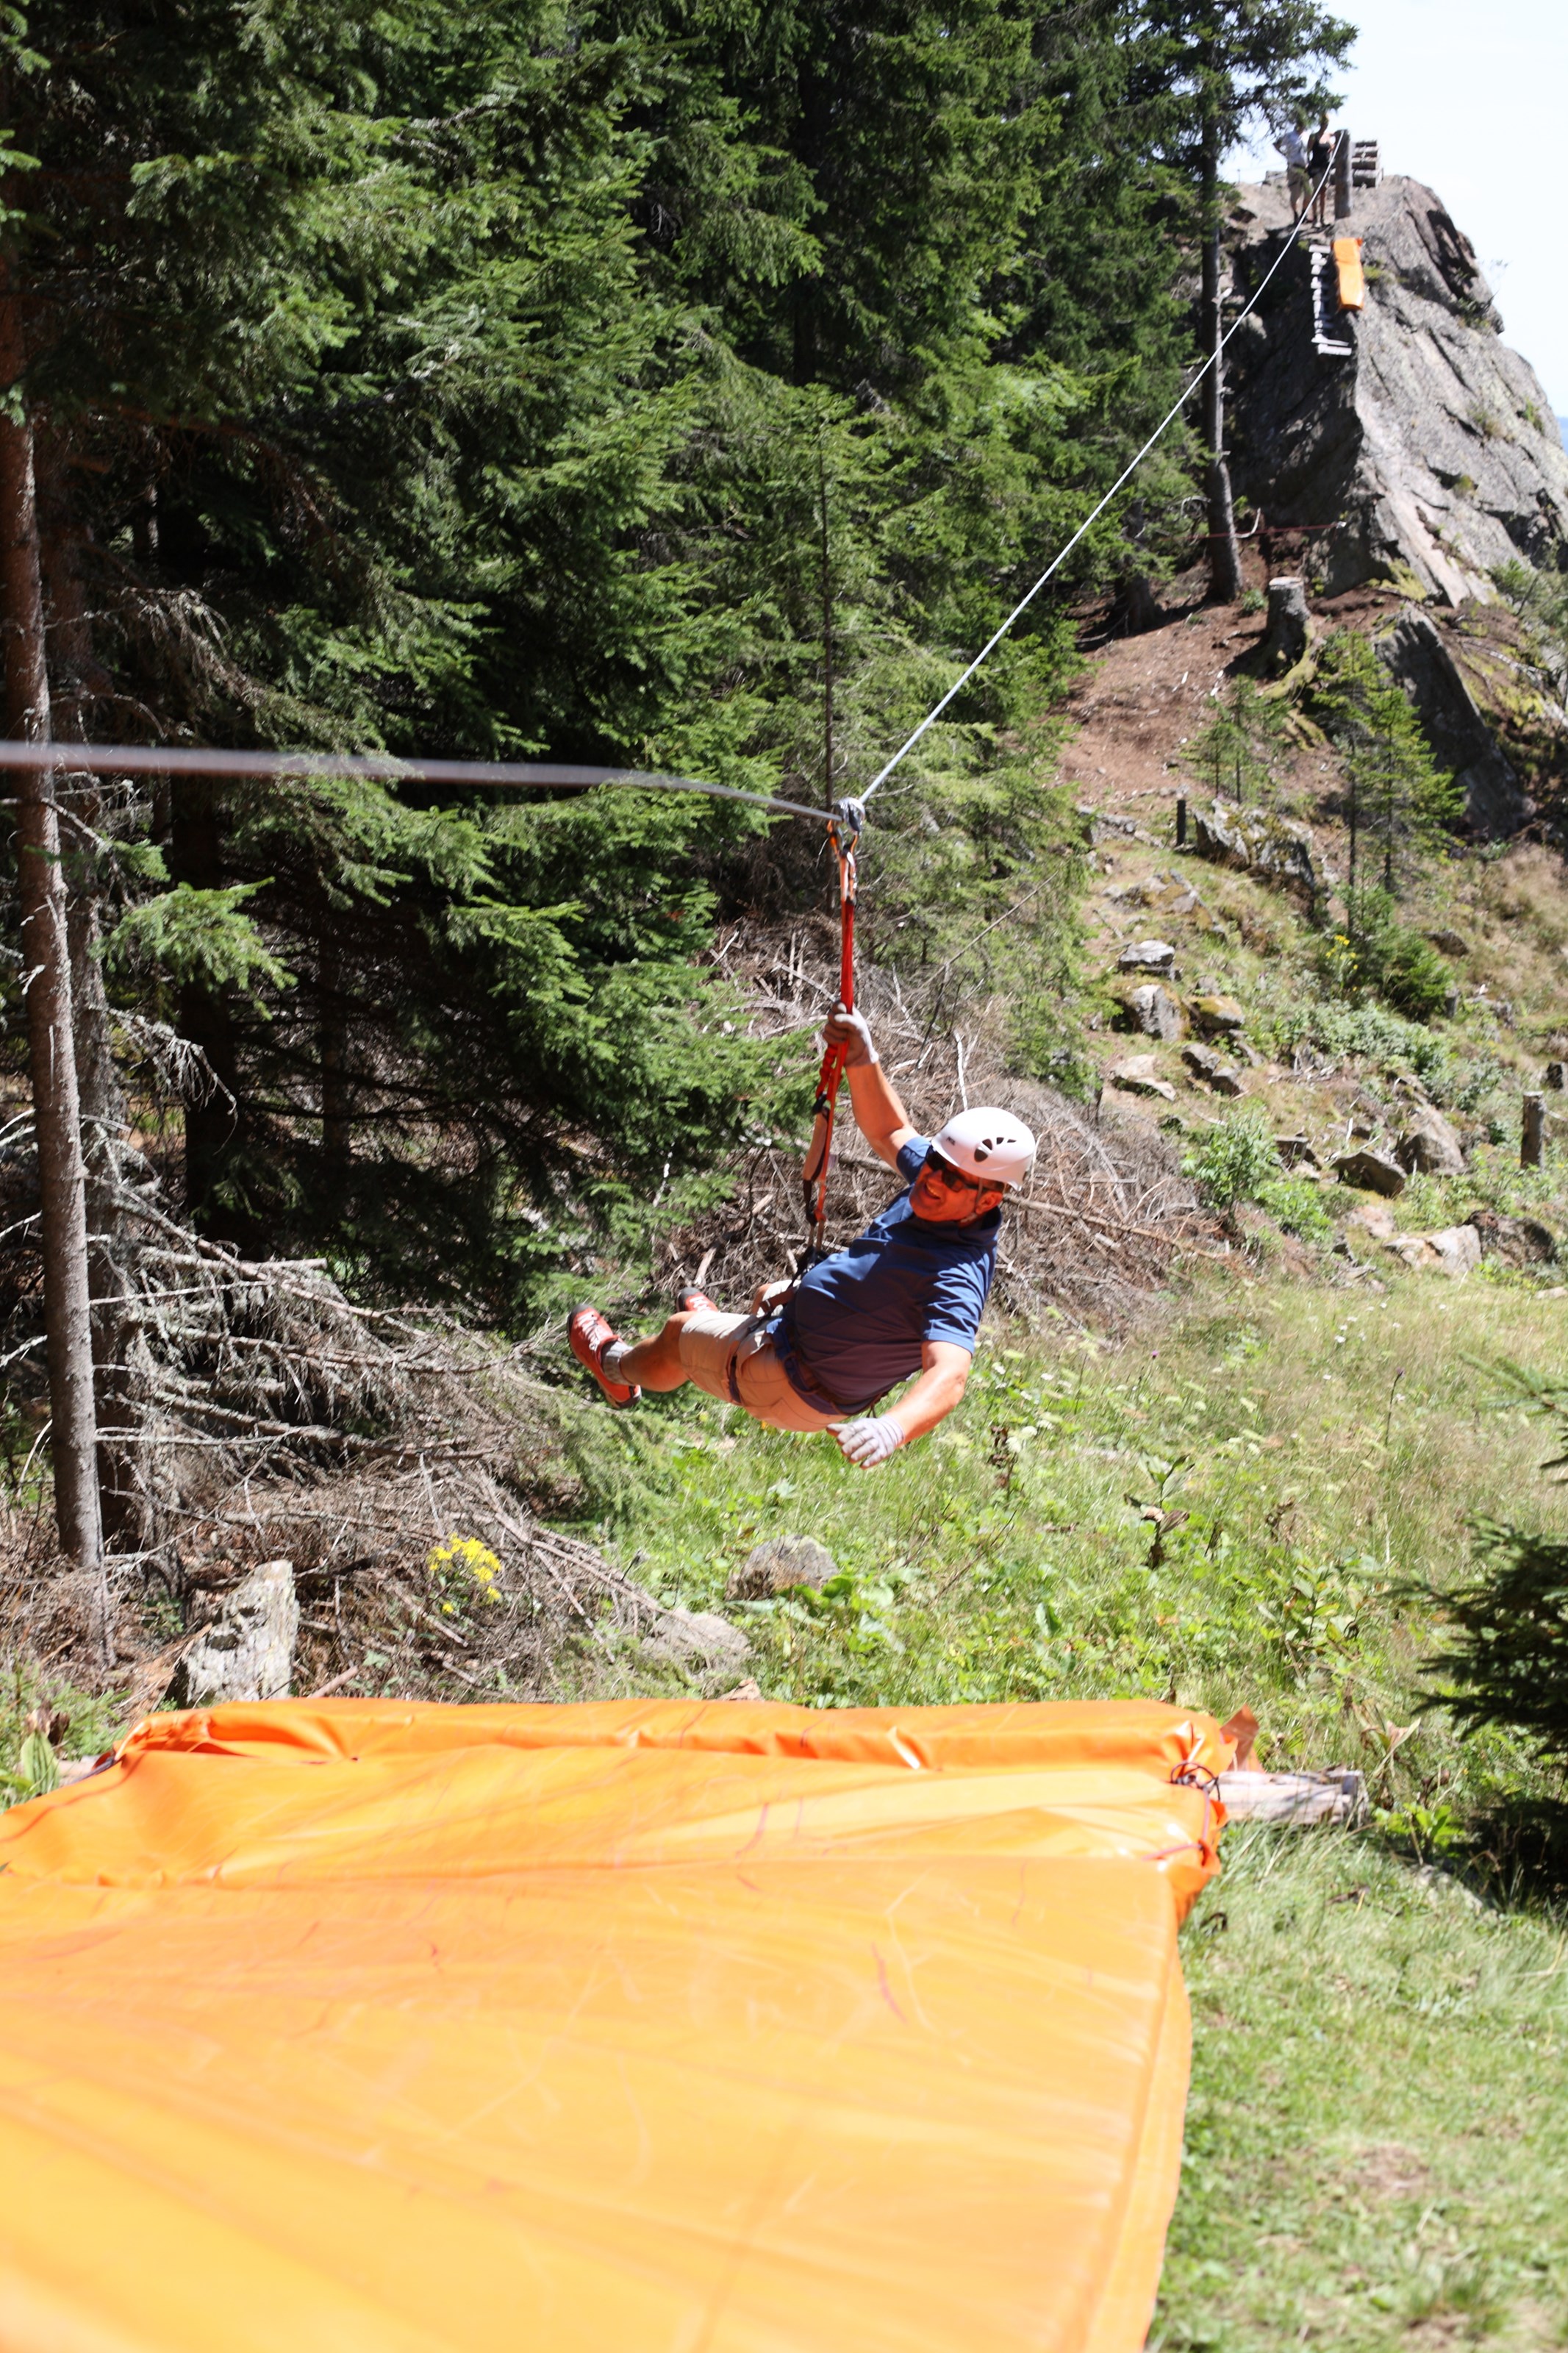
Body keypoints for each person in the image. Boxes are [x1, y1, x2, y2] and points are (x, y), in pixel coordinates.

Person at [568, 1006, 1037, 1469]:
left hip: (792, 1384)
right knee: (766, 1293)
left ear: (990, 1200)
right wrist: (861, 1055)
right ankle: (721, 1334)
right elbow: (892, 1131)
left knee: (676, 1334)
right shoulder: (935, 1184)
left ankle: (615, 1368)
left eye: (954, 1181)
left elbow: (950, 1374)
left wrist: (892, 1428)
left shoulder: (954, 1275)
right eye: (935, 1164)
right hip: (799, 1343)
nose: (933, 1180)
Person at [1277, 121, 1309, 222]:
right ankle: (1296, 215)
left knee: (1309, 192)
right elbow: (1277, 144)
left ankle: (1304, 214)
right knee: (1295, 194)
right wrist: (1285, 155)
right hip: (1293, 167)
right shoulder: (1289, 136)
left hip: (1305, 168)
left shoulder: (1307, 136)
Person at [1307, 116, 1335, 229]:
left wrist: (1332, 148)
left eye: (1327, 123)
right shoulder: (1314, 136)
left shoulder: (1328, 136)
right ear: (1320, 124)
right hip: (1316, 168)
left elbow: (1336, 139)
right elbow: (1308, 151)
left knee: (1323, 192)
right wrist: (1307, 163)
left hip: (1325, 168)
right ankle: (1315, 218)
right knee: (1316, 192)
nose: (1325, 125)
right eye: (1324, 123)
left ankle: (1322, 218)